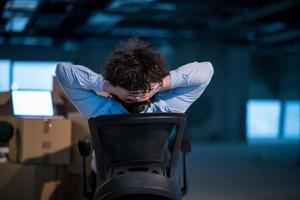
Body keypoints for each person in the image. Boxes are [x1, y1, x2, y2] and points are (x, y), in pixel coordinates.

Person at [55, 37, 214, 173]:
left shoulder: (100, 110)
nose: (137, 99)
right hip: (158, 181)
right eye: (130, 95)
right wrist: (160, 85)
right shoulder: (167, 108)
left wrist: (110, 87)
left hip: (110, 184)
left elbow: (63, 71)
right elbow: (206, 71)